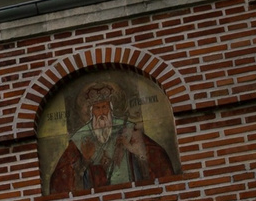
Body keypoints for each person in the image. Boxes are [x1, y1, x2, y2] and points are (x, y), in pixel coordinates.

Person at [47, 78, 176, 195]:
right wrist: (84, 161)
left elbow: (157, 158)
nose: (101, 113)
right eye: (97, 108)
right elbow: (61, 177)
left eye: (105, 107)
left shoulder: (128, 129)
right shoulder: (80, 138)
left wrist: (138, 153)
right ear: (91, 112)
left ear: (111, 109)